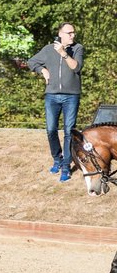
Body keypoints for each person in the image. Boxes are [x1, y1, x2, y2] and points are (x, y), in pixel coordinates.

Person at [26, 23, 85, 182]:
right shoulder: (48, 49)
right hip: (51, 95)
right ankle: (57, 159)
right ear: (60, 34)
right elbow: (31, 62)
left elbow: (76, 68)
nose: (73, 35)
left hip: (71, 96)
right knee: (51, 130)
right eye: (69, 33)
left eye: (73, 32)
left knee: (68, 131)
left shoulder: (77, 48)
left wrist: (64, 54)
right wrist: (42, 70)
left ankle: (66, 166)